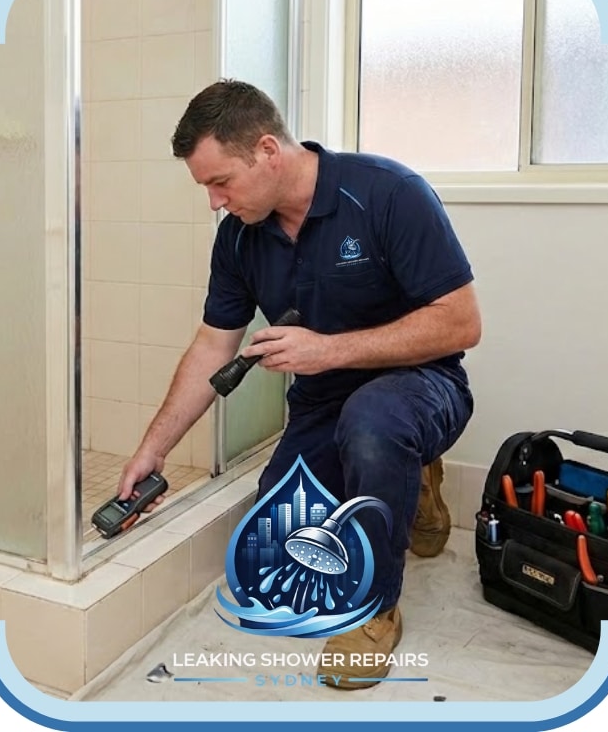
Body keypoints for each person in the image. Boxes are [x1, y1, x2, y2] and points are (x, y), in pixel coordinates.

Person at [117, 79, 481, 689]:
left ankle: (376, 610)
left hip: (420, 385)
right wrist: (151, 452)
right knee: (267, 567)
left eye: (219, 182)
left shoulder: (389, 194)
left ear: (267, 150)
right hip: (322, 400)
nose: (213, 202)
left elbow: (462, 323)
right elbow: (214, 345)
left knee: (375, 423)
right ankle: (406, 484)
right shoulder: (238, 236)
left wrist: (330, 349)